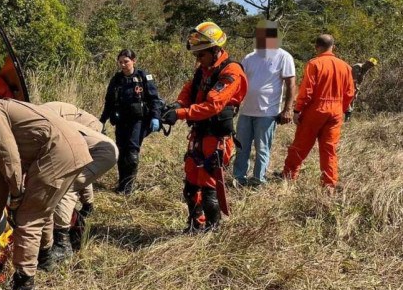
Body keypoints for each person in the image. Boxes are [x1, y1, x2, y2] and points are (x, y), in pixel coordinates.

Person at [0, 98, 92, 290]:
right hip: (70, 147)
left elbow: (8, 155)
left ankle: (24, 283)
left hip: (57, 151)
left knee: (27, 218)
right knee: (41, 208)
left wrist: (16, 196)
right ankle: (45, 257)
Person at [162, 22, 248, 233]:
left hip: (216, 136)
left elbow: (213, 105)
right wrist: (178, 104)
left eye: (201, 55)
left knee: (209, 186)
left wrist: (180, 114)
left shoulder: (231, 71)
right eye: (196, 56)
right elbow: (190, 88)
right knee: (191, 184)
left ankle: (212, 229)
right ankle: (195, 224)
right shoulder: (204, 69)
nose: (198, 60)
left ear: (215, 49)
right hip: (199, 132)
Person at [41, 102, 118, 259]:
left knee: (66, 186)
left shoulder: (44, 121)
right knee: (73, 178)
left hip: (95, 140)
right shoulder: (40, 117)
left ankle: (63, 243)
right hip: (87, 140)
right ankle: (85, 209)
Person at [280, 35, 355, 190]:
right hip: (336, 111)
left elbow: (307, 90)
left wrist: (297, 109)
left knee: (301, 145)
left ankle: (289, 176)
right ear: (333, 47)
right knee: (329, 149)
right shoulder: (345, 66)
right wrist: (340, 108)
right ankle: (329, 184)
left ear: (317, 47)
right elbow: (349, 93)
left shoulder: (314, 64)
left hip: (316, 109)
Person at [233, 20, 296, 187]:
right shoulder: (249, 57)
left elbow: (291, 84)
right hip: (246, 111)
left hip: (267, 113)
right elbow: (239, 81)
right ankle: (238, 179)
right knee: (241, 148)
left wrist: (288, 109)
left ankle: (258, 181)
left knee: (262, 149)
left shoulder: (284, 56)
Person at [100, 49, 162, 195]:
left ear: (134, 61)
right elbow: (108, 102)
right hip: (121, 120)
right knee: (121, 151)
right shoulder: (117, 79)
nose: (123, 65)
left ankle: (128, 187)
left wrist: (155, 117)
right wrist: (102, 120)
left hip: (138, 120)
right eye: (120, 62)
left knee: (132, 152)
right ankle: (122, 185)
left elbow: (154, 99)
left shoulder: (143, 77)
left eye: (126, 61)